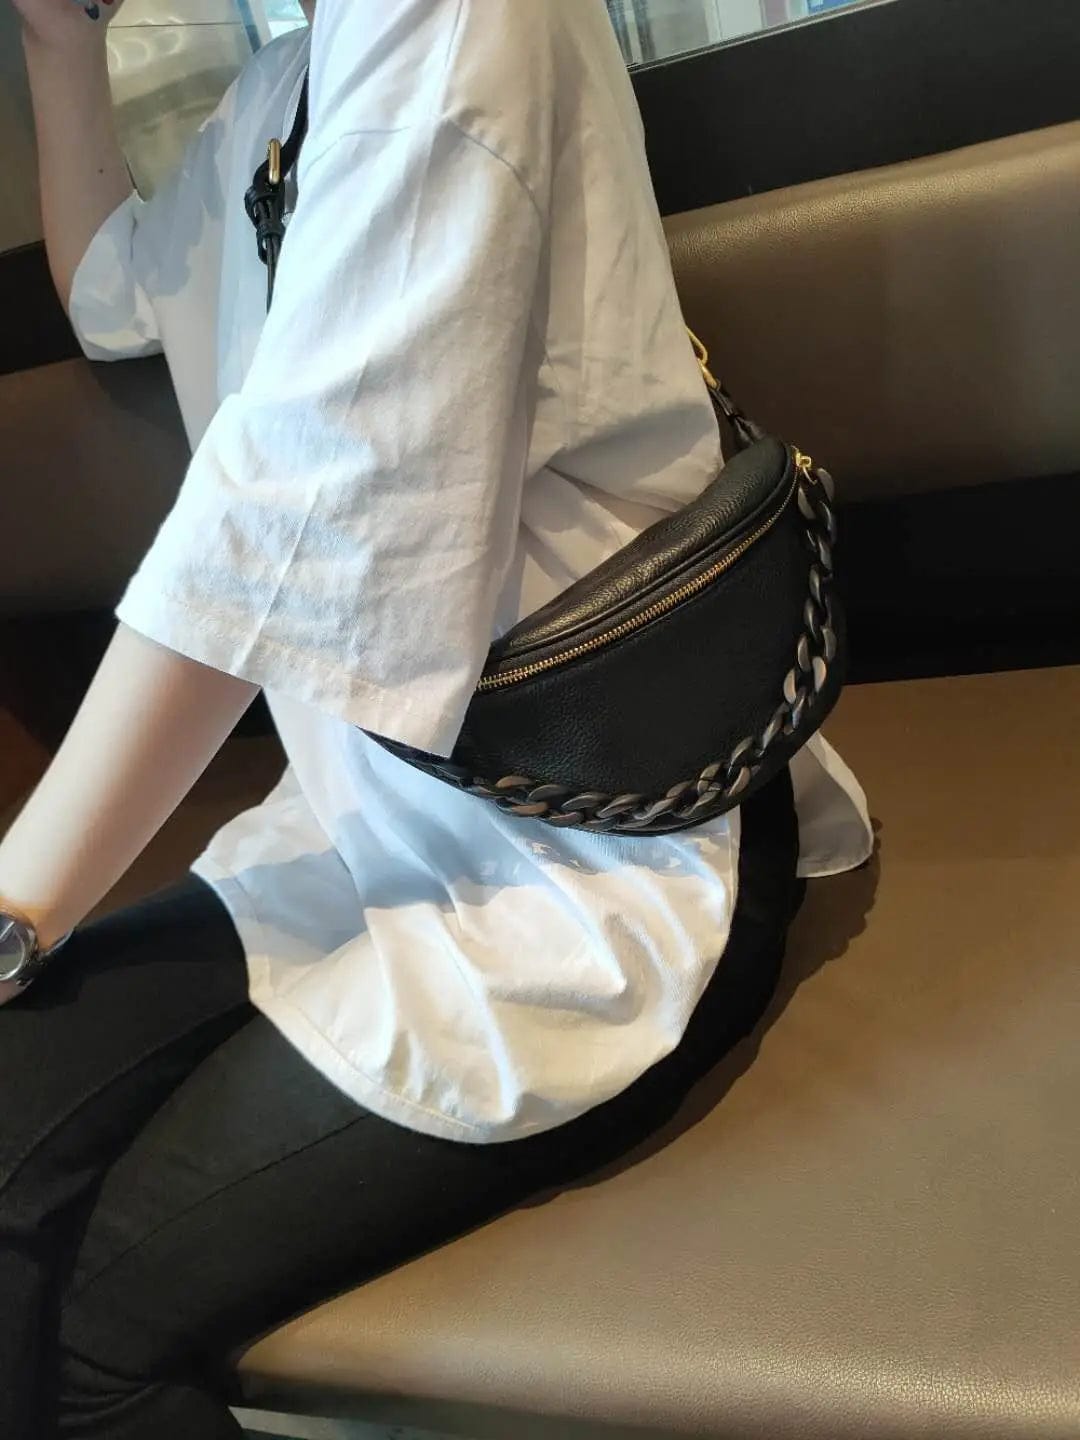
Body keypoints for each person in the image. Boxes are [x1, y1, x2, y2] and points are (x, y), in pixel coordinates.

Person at [0, 1, 873, 1435]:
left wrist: (16, 912)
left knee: (90, 1319)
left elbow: (279, 524)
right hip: (364, 829)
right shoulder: (278, 94)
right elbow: (110, 292)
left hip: (603, 844)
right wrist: (54, 42)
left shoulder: (452, 18)